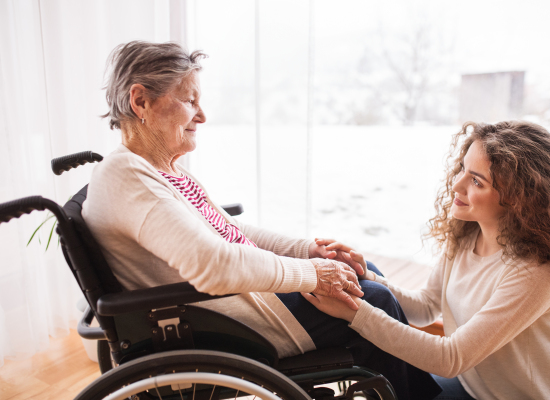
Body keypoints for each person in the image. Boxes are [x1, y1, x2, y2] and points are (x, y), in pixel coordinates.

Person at [82, 41, 440, 399]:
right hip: (229, 319)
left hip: (246, 298)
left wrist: (307, 250)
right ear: (140, 101)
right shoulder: (125, 175)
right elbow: (213, 264)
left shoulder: (160, 169)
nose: (202, 115)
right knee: (373, 299)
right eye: (189, 100)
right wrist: (313, 274)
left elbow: (230, 232)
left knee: (359, 272)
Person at [304, 121, 550, 399]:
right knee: (373, 278)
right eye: (462, 169)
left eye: (477, 181)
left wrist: (354, 313)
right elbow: (425, 307)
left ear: (519, 198)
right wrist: (366, 276)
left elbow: (450, 358)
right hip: (479, 388)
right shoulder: (467, 236)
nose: (457, 185)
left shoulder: (540, 268)